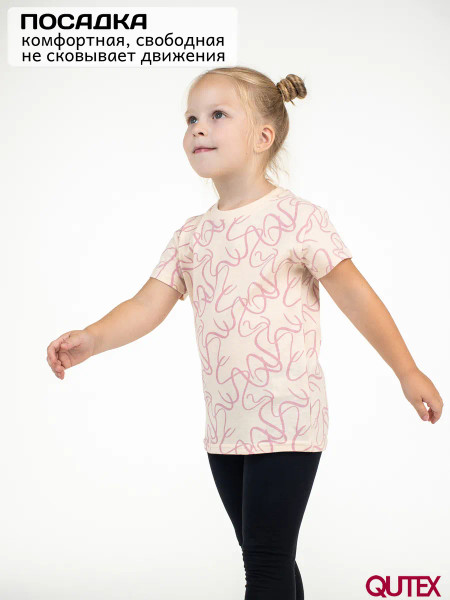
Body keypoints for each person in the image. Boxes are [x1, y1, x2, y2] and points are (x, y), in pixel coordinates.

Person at [46, 66, 444, 599]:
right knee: (269, 558)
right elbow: (146, 305)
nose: (197, 128)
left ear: (263, 137)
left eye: (217, 115)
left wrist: (407, 370)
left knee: (264, 563)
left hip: (288, 418)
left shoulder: (298, 219)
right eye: (190, 118)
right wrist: (93, 338)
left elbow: (357, 297)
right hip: (226, 427)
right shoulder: (192, 236)